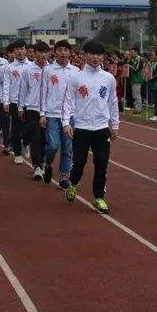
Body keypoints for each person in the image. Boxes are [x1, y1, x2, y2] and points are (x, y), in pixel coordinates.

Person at [62, 40, 119, 214]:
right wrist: (66, 122)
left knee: (101, 164)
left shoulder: (108, 78)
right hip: (82, 127)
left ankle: (99, 197)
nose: (95, 57)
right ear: (85, 55)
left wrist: (115, 124)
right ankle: (73, 183)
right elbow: (68, 102)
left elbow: (113, 102)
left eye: (99, 54)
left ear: (103, 57)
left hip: (102, 128)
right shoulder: (76, 77)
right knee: (79, 162)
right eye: (92, 54)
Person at [41, 40, 78, 187]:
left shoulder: (75, 71)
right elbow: (43, 92)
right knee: (53, 145)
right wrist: (42, 113)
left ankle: (64, 176)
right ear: (54, 52)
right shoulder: (48, 70)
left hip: (70, 115)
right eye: (60, 50)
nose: (63, 53)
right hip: (52, 114)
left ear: (70, 52)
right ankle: (48, 164)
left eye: (66, 50)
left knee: (67, 147)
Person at [19, 42, 48, 178]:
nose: (43, 54)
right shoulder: (28, 70)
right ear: (34, 53)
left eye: (45, 52)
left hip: (48, 109)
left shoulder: (52, 69)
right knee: (36, 136)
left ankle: (42, 161)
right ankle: (36, 166)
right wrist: (20, 107)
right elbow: (23, 89)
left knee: (44, 138)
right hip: (32, 107)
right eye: (40, 52)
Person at [0, 41, 29, 160]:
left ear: (25, 50)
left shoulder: (32, 66)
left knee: (29, 128)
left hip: (29, 103)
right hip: (14, 102)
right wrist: (5, 101)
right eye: (17, 49)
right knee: (16, 128)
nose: (19, 51)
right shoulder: (9, 67)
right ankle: (17, 154)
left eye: (22, 48)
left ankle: (26, 143)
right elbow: (6, 85)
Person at [128, 48, 143, 113]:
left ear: (136, 52)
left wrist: (129, 66)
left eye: (132, 52)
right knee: (134, 95)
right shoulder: (133, 59)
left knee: (137, 95)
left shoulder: (139, 59)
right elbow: (127, 63)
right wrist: (129, 60)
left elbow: (136, 68)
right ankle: (135, 108)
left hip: (137, 79)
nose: (131, 54)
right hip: (133, 79)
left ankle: (138, 109)